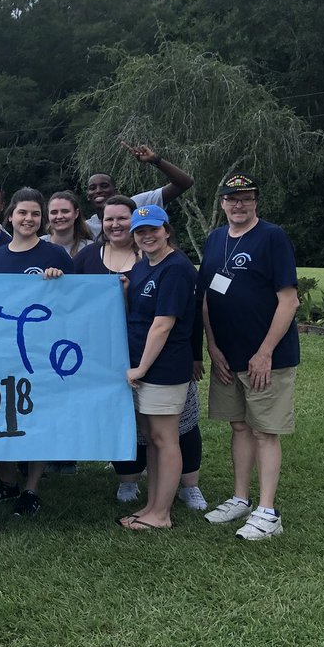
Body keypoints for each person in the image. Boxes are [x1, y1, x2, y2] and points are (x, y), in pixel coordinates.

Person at [200, 174, 299, 541]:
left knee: (264, 431)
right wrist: (213, 346)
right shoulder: (214, 240)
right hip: (228, 355)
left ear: (255, 201)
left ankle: (268, 512)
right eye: (230, 199)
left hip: (266, 357)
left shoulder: (272, 237)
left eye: (245, 198)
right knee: (239, 426)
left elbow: (288, 299)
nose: (237, 205)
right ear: (222, 203)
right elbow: (208, 297)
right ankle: (241, 498)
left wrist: (265, 352)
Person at [0, 188, 76, 517]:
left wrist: (59, 280)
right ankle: (7, 480)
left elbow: (77, 300)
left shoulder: (55, 255)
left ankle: (31, 487)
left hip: (42, 354)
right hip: (3, 351)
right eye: (23, 213)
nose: (28, 219)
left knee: (38, 417)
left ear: (42, 219)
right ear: (11, 216)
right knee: (5, 415)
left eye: (35, 214)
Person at [118, 205, 198, 532]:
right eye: (141, 231)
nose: (147, 236)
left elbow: (163, 325)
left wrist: (140, 369)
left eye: (153, 229)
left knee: (165, 439)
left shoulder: (176, 268)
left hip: (162, 369)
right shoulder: (141, 267)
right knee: (151, 438)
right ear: (134, 236)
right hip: (142, 366)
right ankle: (151, 505)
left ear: (167, 230)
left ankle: (161, 514)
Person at [85, 142, 195, 240]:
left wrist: (155, 160)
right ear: (88, 196)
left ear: (116, 192)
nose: (98, 191)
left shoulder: (139, 205)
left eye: (104, 186)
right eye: (92, 188)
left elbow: (184, 183)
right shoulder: (86, 227)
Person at [43, 190, 94, 256]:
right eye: (54, 212)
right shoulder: (38, 245)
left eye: (65, 211)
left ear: (76, 213)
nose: (59, 216)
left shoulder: (90, 248)